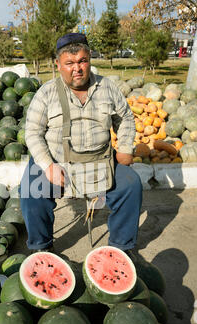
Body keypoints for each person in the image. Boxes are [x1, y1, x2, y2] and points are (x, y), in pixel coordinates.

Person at [20, 32, 143, 257]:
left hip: (99, 162)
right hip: (58, 163)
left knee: (130, 185)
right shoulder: (46, 93)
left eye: (82, 61)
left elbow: (125, 117)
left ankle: (122, 248)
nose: (77, 68)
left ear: (89, 60)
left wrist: (125, 148)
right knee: (30, 191)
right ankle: (41, 248)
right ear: (58, 65)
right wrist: (48, 165)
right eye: (69, 63)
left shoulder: (108, 87)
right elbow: (33, 133)